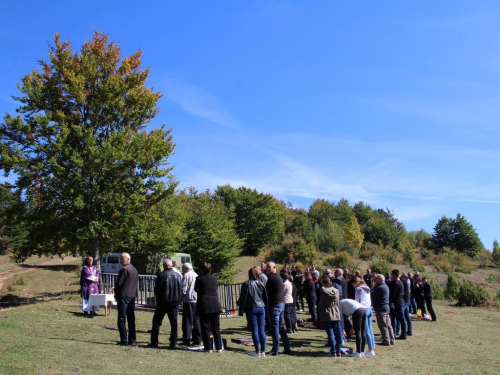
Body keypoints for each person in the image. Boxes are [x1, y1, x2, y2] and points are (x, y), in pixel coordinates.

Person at [149, 258, 183, 348]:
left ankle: (154, 341)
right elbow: (181, 289)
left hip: (163, 302)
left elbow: (157, 289)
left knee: (156, 322)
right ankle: (173, 342)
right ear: (171, 265)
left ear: (164, 265)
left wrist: (159, 297)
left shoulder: (162, 275)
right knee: (174, 323)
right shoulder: (178, 276)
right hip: (175, 302)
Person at [238, 266, 268, 357]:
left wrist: (240, 306)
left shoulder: (246, 284)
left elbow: (243, 297)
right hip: (261, 307)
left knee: (254, 330)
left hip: (251, 308)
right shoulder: (261, 283)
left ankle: (257, 351)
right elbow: (265, 297)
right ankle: (263, 351)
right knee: (261, 330)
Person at [195, 262, 223, 353]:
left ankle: (208, 347)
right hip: (214, 304)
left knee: (205, 327)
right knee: (216, 327)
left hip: (204, 304)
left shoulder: (199, 279)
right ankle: (219, 347)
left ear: (202, 270)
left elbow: (196, 289)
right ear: (210, 269)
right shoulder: (214, 278)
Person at [265, 261, 291, 356]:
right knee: (280, 327)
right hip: (281, 304)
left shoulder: (272, 278)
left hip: (275, 305)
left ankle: (275, 349)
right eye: (267, 267)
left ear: (274, 267)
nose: (268, 269)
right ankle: (287, 347)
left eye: (269, 267)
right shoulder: (279, 278)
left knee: (275, 328)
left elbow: (265, 291)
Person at [115, 252, 138, 346]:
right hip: (131, 296)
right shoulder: (134, 269)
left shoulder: (124, 269)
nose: (121, 260)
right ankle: (132, 340)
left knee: (121, 318)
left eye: (123, 258)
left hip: (124, 296)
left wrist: (116, 292)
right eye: (121, 258)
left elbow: (119, 283)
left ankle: (124, 340)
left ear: (128, 259)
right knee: (131, 319)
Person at [317, 276, 342, 357]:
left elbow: (321, 303)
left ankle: (333, 350)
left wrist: (319, 311)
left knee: (330, 333)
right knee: (338, 332)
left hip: (327, 312)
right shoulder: (336, 290)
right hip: (336, 312)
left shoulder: (323, 291)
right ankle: (338, 350)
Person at [352, 276, 376, 356]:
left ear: (356, 283)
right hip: (369, 308)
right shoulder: (367, 287)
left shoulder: (359, 289)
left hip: (363, 309)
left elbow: (356, 301)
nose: (353, 286)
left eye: (353, 284)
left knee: (365, 331)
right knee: (370, 329)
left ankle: (370, 349)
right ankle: (372, 347)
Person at [371, 274, 395, 346]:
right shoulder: (385, 286)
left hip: (381, 309)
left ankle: (386, 341)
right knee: (388, 325)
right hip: (385, 308)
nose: (375, 280)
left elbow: (372, 294)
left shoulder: (380, 288)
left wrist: (374, 287)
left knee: (383, 325)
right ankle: (391, 339)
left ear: (379, 280)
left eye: (376, 278)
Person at [181, 263, 201, 346]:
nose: (182, 270)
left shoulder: (186, 275)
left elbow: (183, 289)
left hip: (188, 300)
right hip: (196, 300)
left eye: (183, 268)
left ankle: (186, 339)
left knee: (187, 321)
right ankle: (197, 339)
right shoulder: (197, 275)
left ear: (187, 268)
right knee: (196, 320)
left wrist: (180, 298)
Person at [389, 269, 407, 340]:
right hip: (397, 302)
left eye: (392, 275)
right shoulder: (396, 282)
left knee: (401, 318)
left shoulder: (398, 283)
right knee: (397, 318)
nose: (391, 276)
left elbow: (393, 294)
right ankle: (395, 332)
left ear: (395, 276)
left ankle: (404, 334)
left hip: (398, 303)